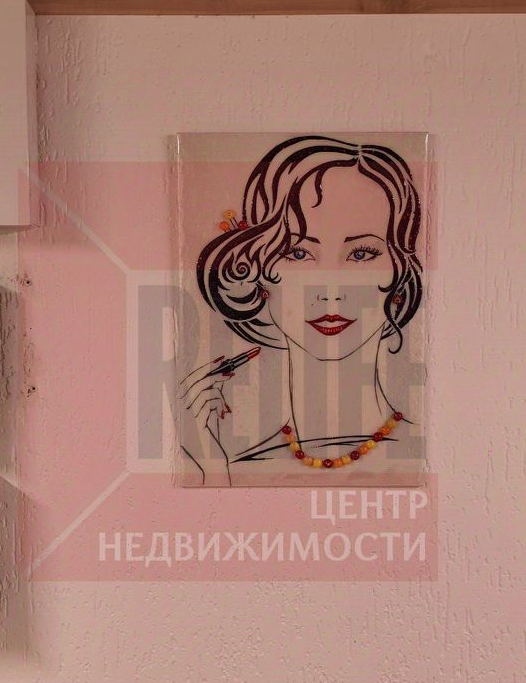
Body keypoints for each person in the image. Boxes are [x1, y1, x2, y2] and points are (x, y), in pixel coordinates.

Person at [180, 135, 423, 485]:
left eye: (361, 254)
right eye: (297, 253)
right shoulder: (233, 468)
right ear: (256, 270)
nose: (330, 290)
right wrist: (212, 473)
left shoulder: (424, 457)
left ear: (400, 272)